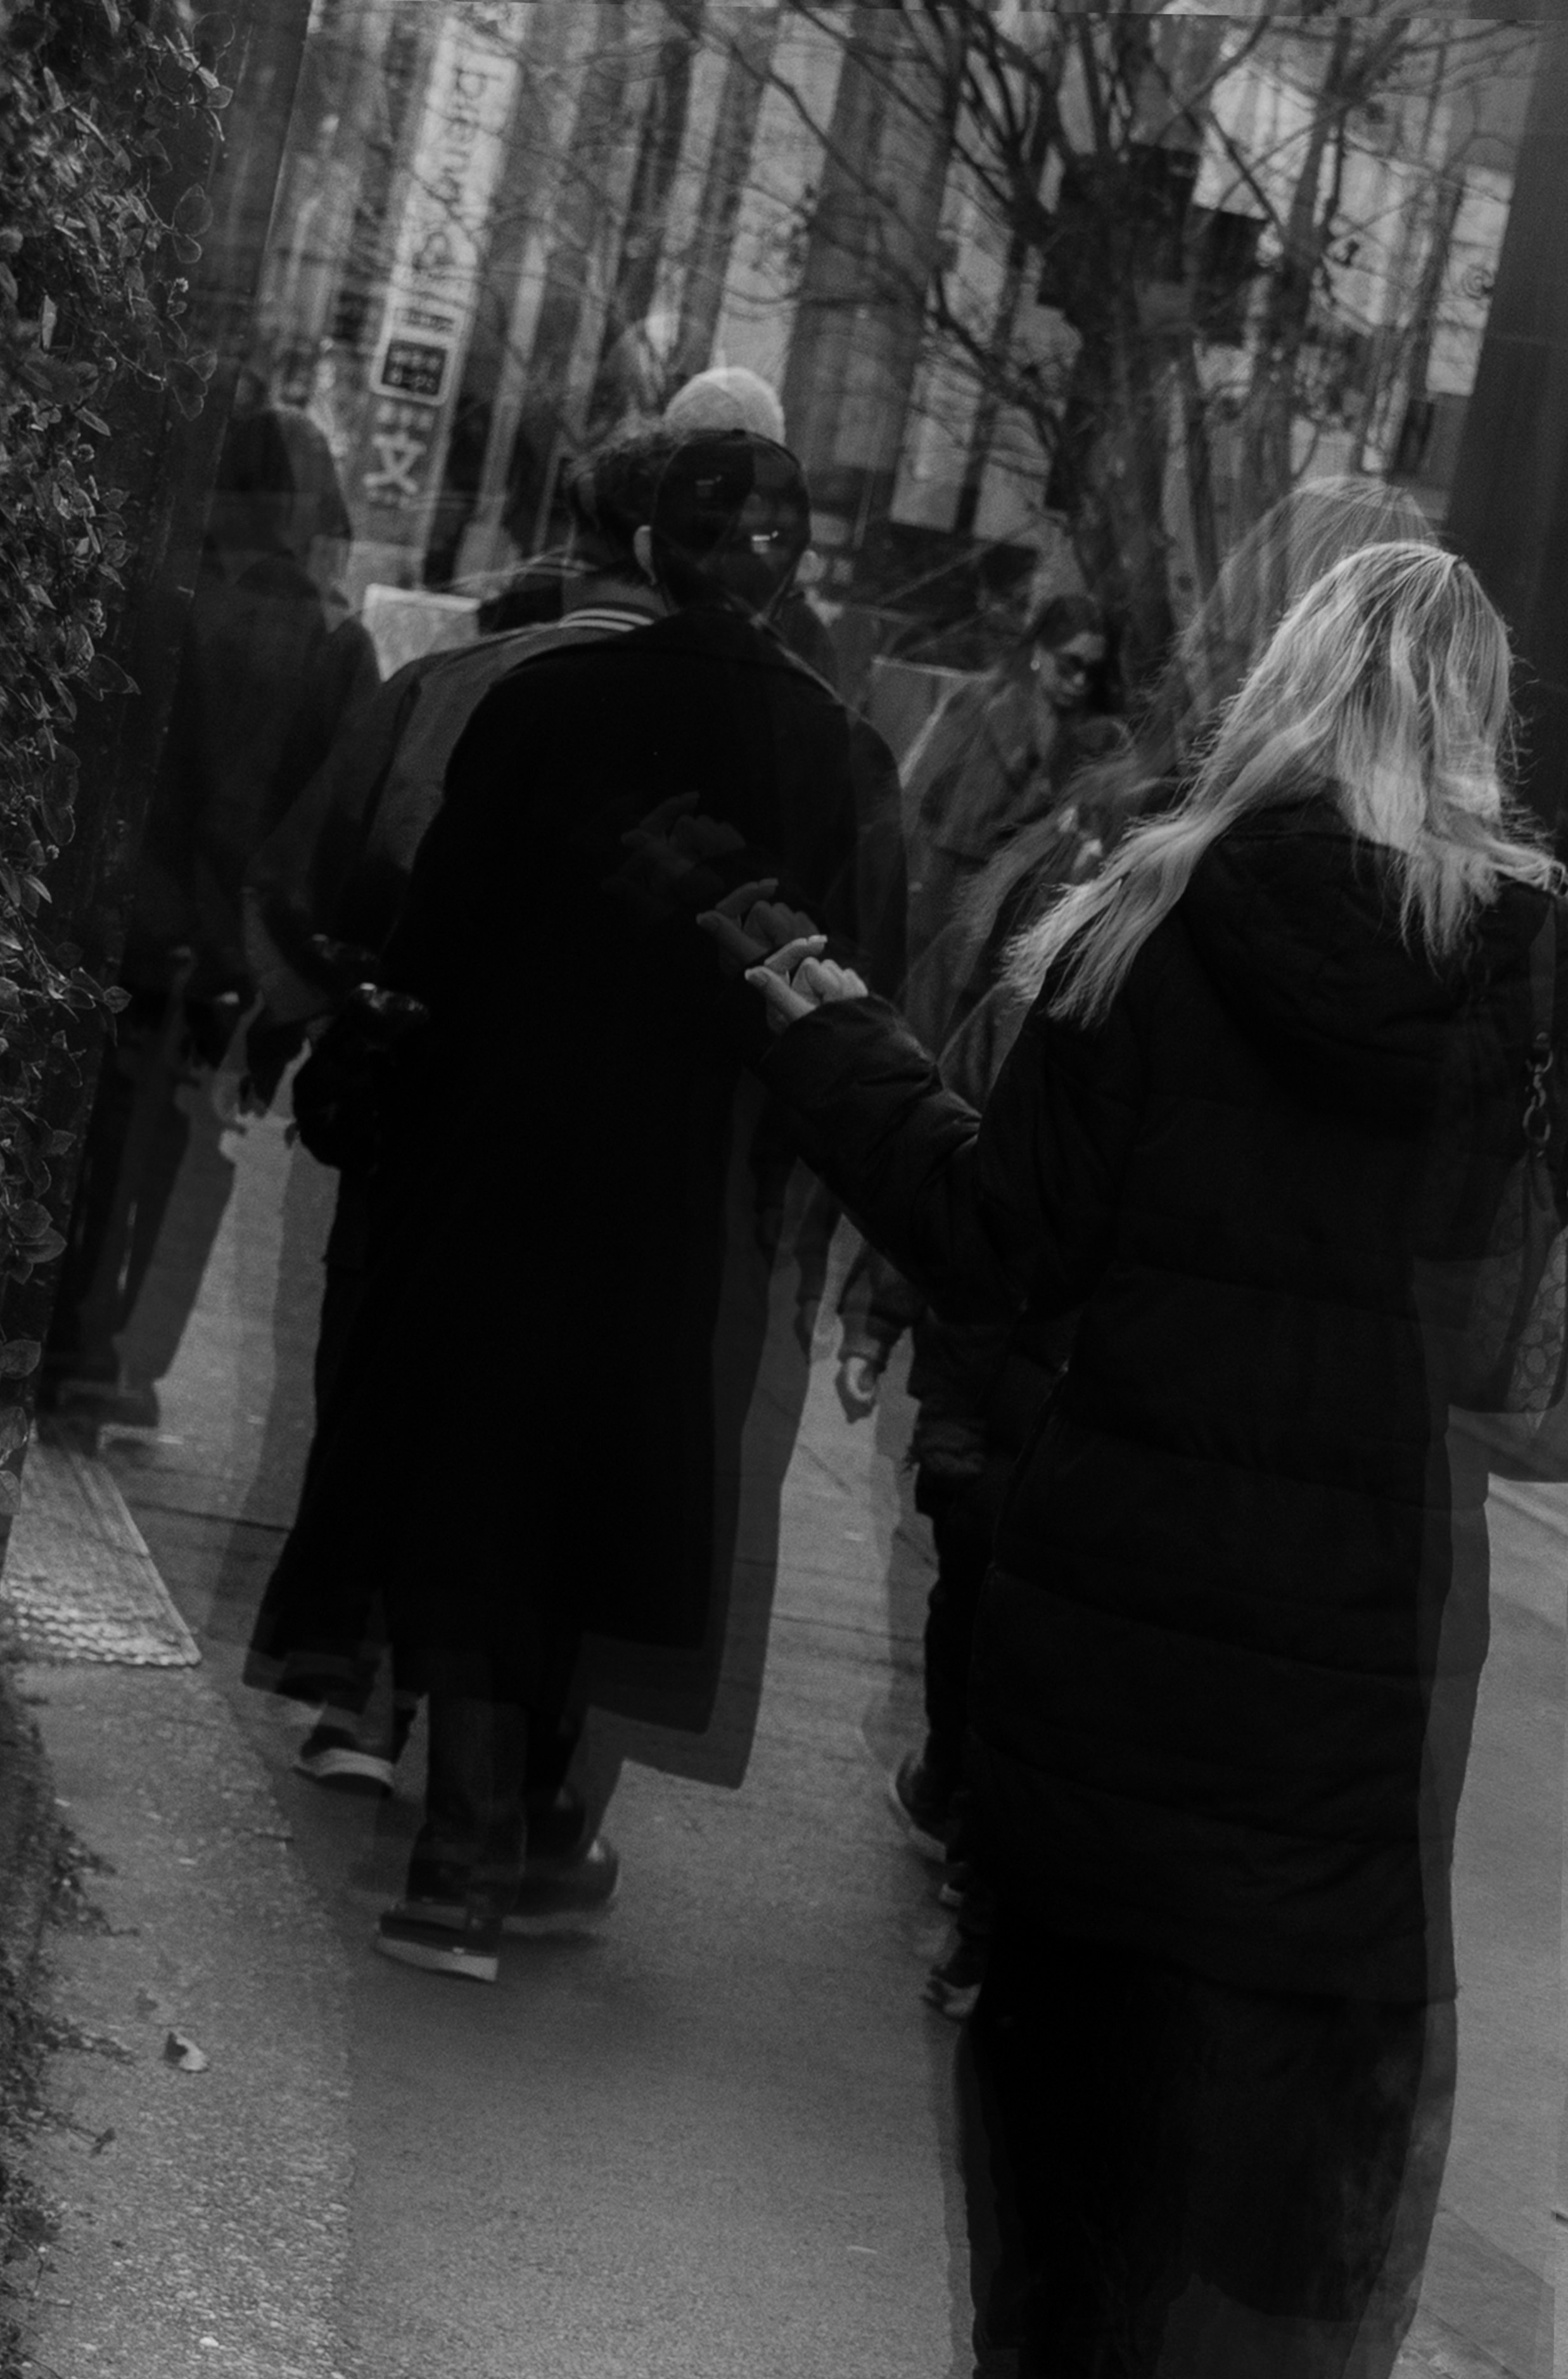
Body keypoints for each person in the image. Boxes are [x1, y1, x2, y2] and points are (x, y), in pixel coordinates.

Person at [701, 540, 1562, 2379]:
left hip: (1114, 1560)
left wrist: (828, 1038)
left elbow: (997, 1244)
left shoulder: (1147, 921)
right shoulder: (1522, 977)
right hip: (1360, 1598)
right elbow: (1514, 1334)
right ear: (1469, 718)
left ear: (1283, 681)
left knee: (1061, 2020)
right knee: (1254, 2044)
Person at [252, 430, 905, 1981]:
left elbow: (436, 941)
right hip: (693, 1197)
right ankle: (539, 1820)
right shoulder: (832, 758)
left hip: (501, 1156)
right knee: (614, 1501)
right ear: (787, 563)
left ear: (646, 544)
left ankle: (461, 1849)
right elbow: (844, 1012)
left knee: (480, 1483)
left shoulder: (540, 703)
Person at [881, 478, 1438, 2030]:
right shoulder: (1482, 957)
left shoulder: (1147, 865)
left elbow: (1012, 1177)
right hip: (1329, 1508)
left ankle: (1001, 1893)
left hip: (1099, 1423)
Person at [239, 411, 695, 1794]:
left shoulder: (461, 682)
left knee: (385, 1369)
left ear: (583, 530)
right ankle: (501, 1772)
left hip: (425, 1098)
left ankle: (358, 1690)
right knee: (545, 1426)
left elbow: (324, 871)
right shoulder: (748, 718)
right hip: (624, 1144)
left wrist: (308, 1013)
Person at [42, 390, 378, 1423]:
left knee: (97, 1133)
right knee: (184, 1155)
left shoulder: (159, 600)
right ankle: (123, 1356)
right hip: (241, 963)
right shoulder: (331, 643)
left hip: (126, 933)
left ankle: (73, 1341)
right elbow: (340, 833)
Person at [899, 594, 1116, 991]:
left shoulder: (1099, 739)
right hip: (944, 904)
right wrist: (906, 881)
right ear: (1039, 649)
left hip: (1017, 920)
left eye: (1093, 670)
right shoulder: (980, 705)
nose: (1081, 681)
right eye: (1070, 664)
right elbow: (918, 793)